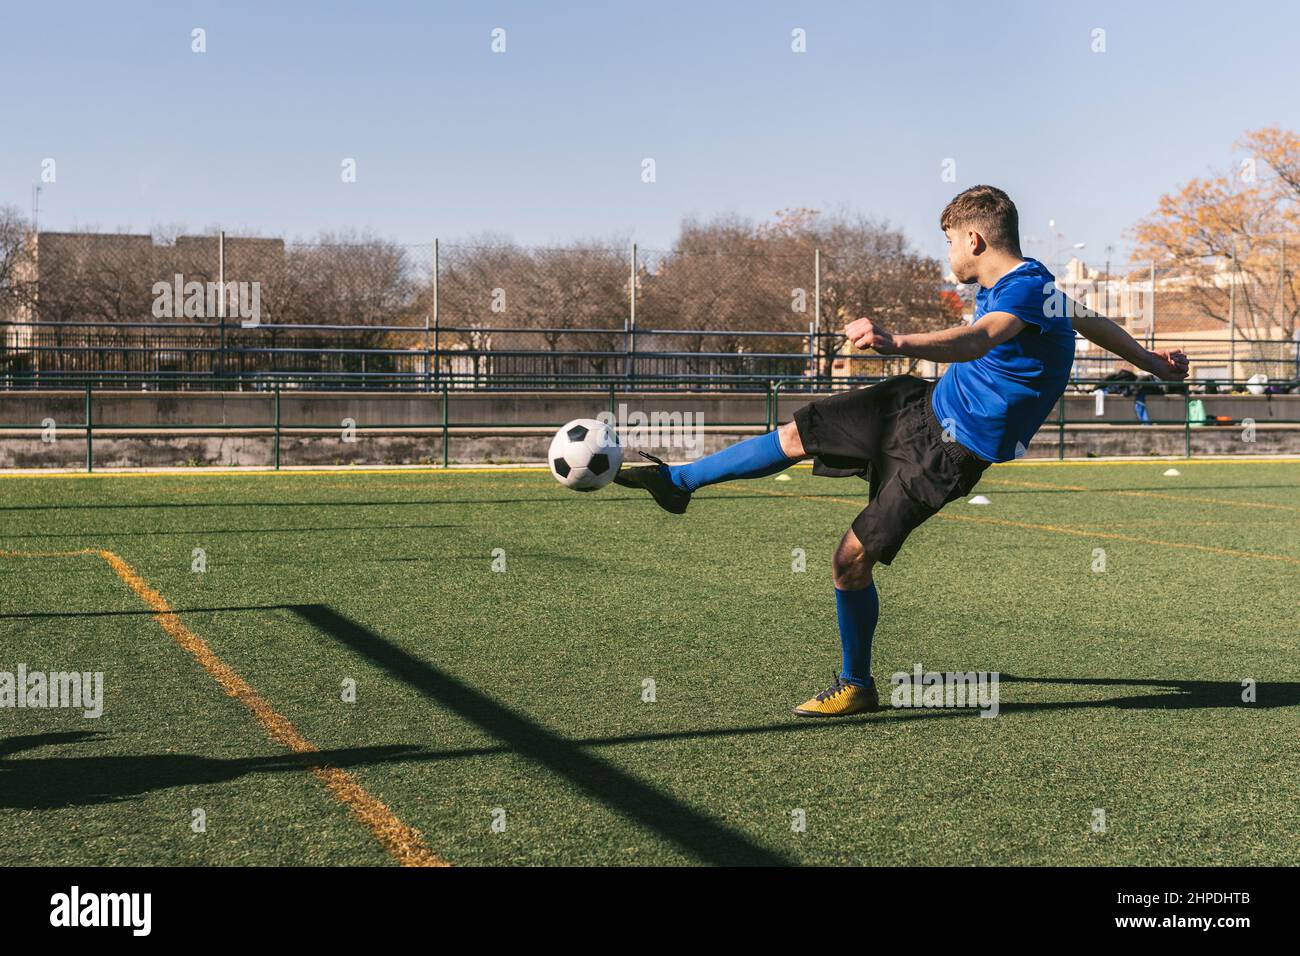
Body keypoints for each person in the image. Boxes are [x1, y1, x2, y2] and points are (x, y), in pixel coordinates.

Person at [616, 185, 1189, 716]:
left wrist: (898, 341)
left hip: (949, 452)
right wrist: (1154, 363)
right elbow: (1095, 323)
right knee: (797, 434)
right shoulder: (1030, 286)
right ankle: (679, 483)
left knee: (849, 561)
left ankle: (856, 685)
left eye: (947, 242)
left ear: (974, 239)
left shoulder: (1022, 291)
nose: (946, 254)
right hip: (918, 403)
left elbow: (981, 338)